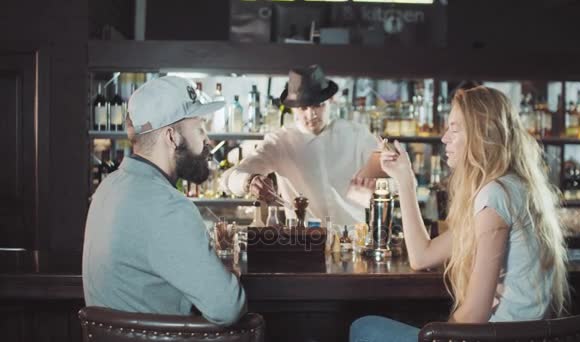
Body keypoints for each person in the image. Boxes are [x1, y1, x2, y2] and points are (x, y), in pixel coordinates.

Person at [350, 86, 570, 341]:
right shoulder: (516, 188)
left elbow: (475, 314)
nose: (444, 138)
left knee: (364, 327)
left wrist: (442, 333)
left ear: (482, 136)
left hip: (495, 337)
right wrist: (405, 180)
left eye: (455, 129)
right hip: (516, 336)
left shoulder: (496, 195)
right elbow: (422, 257)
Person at [82, 76, 247, 326]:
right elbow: (229, 308)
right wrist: (224, 272)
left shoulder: (108, 187)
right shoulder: (168, 207)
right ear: (172, 137)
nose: (207, 140)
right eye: (200, 128)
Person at [221, 65, 377, 225]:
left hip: (353, 239)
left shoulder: (357, 135)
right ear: (293, 109)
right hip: (303, 241)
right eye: (303, 108)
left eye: (318, 105)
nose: (311, 115)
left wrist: (378, 183)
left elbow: (394, 178)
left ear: (330, 101)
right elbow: (227, 179)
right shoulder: (279, 142)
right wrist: (249, 181)